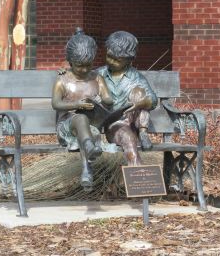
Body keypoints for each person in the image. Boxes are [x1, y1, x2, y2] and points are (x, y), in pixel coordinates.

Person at [52, 28, 113, 189]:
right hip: (67, 126)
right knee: (80, 118)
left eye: (88, 65)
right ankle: (89, 150)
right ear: (70, 61)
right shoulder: (63, 79)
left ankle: (87, 171)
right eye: (80, 66)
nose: (85, 70)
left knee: (87, 126)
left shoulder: (97, 78)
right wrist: (77, 105)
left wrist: (102, 100)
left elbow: (108, 99)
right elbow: (56, 104)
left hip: (93, 126)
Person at [97, 31, 157, 166]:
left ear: (130, 60)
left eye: (117, 60)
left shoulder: (136, 77)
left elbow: (153, 100)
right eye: (109, 56)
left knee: (140, 92)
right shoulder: (98, 74)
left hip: (136, 120)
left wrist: (141, 103)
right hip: (115, 124)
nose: (111, 61)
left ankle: (143, 132)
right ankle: (140, 177)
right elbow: (80, 79)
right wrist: (66, 72)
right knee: (127, 138)